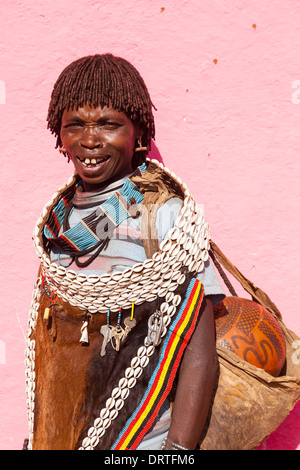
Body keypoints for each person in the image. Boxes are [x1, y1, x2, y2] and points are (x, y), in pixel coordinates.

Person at [24, 54, 225, 450]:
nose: (90, 140)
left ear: (140, 134)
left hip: (143, 439)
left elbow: (200, 356)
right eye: (75, 126)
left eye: (109, 125)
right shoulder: (59, 224)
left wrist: (178, 451)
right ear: (58, 133)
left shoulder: (164, 217)